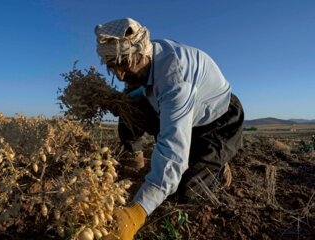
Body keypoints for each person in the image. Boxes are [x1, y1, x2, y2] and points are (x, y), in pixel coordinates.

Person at [94, 18, 244, 240]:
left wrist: (138, 211)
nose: (120, 75)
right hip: (183, 114)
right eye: (112, 67)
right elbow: (137, 91)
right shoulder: (146, 58)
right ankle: (135, 159)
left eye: (123, 64)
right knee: (127, 103)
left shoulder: (176, 77)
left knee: (190, 190)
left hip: (219, 121)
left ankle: (218, 168)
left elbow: (173, 155)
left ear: (143, 54)